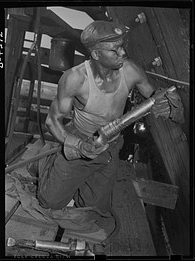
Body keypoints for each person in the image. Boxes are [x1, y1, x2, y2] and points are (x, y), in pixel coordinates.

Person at [37, 20, 184, 214]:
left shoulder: (130, 70)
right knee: (49, 202)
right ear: (96, 54)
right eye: (114, 50)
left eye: (122, 46)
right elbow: (52, 121)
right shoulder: (75, 79)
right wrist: (78, 146)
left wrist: (169, 103)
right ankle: (50, 163)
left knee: (94, 211)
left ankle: (82, 181)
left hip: (110, 148)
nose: (122, 53)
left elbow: (153, 97)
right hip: (82, 140)